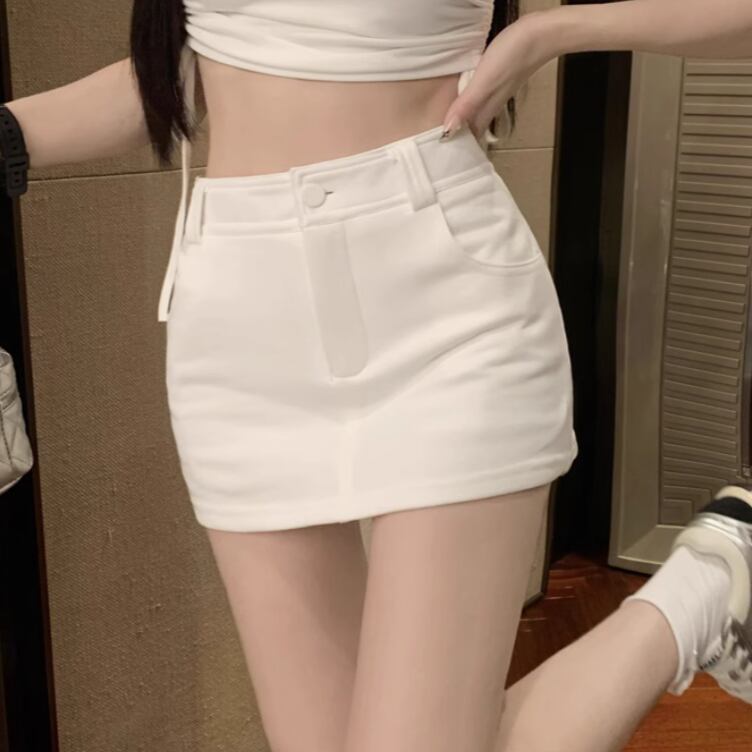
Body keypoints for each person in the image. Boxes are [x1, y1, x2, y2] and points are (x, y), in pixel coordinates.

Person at [2, 1, 750, 750]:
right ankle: (710, 579)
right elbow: (190, 74)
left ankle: (698, 597)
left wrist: (548, 33)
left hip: (444, 317)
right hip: (238, 339)